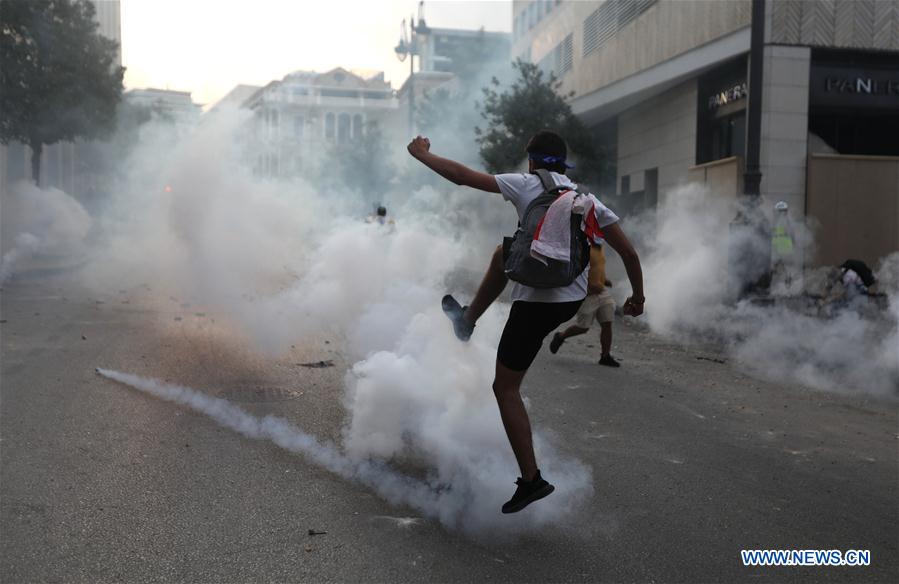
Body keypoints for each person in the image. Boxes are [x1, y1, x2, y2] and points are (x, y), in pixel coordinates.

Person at [407, 130, 645, 513]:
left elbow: (463, 176)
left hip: (534, 304)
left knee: (505, 388)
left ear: (532, 161)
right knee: (504, 252)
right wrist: (638, 298)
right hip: (567, 301)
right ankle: (467, 320)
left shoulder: (525, 185)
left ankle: (531, 480)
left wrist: (422, 155)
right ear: (564, 165)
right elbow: (630, 254)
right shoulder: (587, 201)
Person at [548, 245, 620, 367]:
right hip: (587, 295)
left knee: (607, 323)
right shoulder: (582, 248)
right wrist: (589, 285)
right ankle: (561, 336)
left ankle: (605, 356)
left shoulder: (599, 248)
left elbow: (598, 266)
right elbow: (575, 271)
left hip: (602, 292)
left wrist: (604, 279)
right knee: (583, 327)